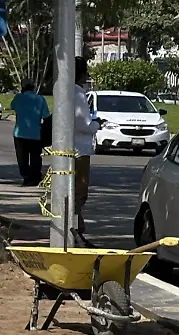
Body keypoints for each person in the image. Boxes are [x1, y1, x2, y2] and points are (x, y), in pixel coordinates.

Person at [73, 56, 100, 242]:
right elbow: (84, 124)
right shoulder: (78, 94)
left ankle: (77, 224)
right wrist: (96, 124)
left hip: (68, 146)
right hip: (80, 149)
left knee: (73, 188)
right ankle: (75, 226)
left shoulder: (64, 91)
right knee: (80, 191)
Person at [10, 80, 49, 187]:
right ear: (33, 87)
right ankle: (35, 176)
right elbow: (46, 116)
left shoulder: (18, 98)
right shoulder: (40, 99)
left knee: (22, 157)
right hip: (35, 133)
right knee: (35, 157)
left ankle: (26, 176)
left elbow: (12, 106)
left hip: (20, 133)